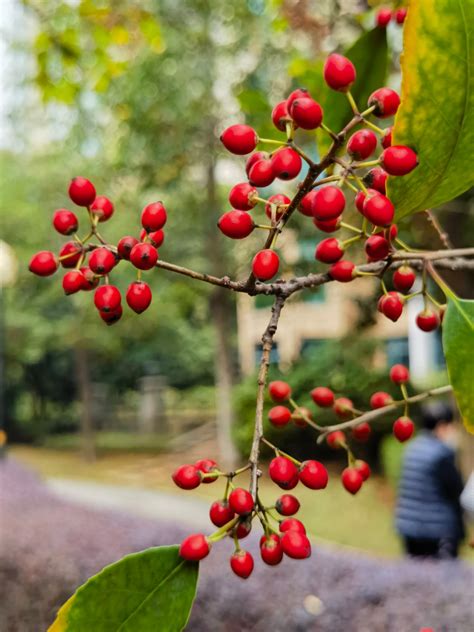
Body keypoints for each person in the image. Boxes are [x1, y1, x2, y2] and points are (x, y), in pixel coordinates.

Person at [396, 401, 464, 559]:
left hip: (409, 527)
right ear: (441, 427)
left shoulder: (412, 448)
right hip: (437, 531)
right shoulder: (441, 455)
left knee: (415, 576)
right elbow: (455, 490)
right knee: (441, 580)